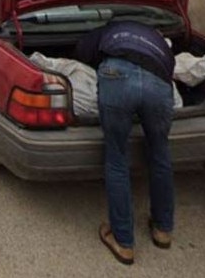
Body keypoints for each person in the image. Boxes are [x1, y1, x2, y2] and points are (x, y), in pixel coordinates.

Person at [75, 20, 175, 265]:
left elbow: (82, 52)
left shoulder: (109, 30)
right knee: (160, 153)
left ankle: (123, 241)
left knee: (117, 158)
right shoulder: (158, 40)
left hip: (116, 75)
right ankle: (163, 229)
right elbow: (170, 69)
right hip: (157, 82)